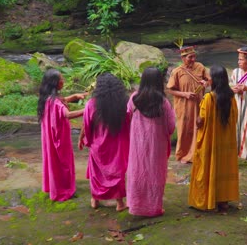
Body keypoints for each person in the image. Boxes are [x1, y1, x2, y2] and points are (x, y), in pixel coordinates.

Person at [188, 65, 239, 212]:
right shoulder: (231, 97)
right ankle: (223, 201)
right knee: (224, 169)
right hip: (226, 142)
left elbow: (200, 121)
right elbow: (234, 118)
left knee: (208, 167)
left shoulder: (209, 98)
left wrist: (198, 112)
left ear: (215, 80)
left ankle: (208, 199)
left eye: (210, 76)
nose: (208, 78)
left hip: (211, 141)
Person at [126, 67, 176, 217]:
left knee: (137, 171)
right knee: (155, 173)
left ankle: (135, 205)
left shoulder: (134, 98)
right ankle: (154, 207)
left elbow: (128, 116)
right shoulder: (163, 102)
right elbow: (171, 126)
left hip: (138, 144)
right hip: (157, 145)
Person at [78, 73, 130, 211]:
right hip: (118, 144)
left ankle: (95, 200)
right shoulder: (124, 104)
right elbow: (128, 124)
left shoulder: (91, 104)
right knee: (117, 172)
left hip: (98, 144)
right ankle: (119, 203)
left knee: (97, 172)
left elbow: (87, 124)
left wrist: (85, 140)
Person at [37, 69, 87, 201]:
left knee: (53, 160)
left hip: (49, 138)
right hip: (59, 137)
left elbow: (61, 101)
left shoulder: (47, 99)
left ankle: (53, 186)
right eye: (61, 79)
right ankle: (63, 190)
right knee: (63, 162)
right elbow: (67, 114)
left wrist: (75, 96)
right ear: (55, 83)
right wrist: (89, 109)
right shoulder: (55, 102)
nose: (63, 81)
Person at [167, 45, 210, 163]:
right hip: (183, 106)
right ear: (183, 58)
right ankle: (183, 155)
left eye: (194, 56)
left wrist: (205, 83)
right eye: (190, 57)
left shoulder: (200, 67)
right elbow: (170, 90)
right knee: (184, 129)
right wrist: (184, 94)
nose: (193, 59)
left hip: (199, 104)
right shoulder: (177, 72)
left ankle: (196, 153)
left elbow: (209, 80)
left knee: (199, 127)